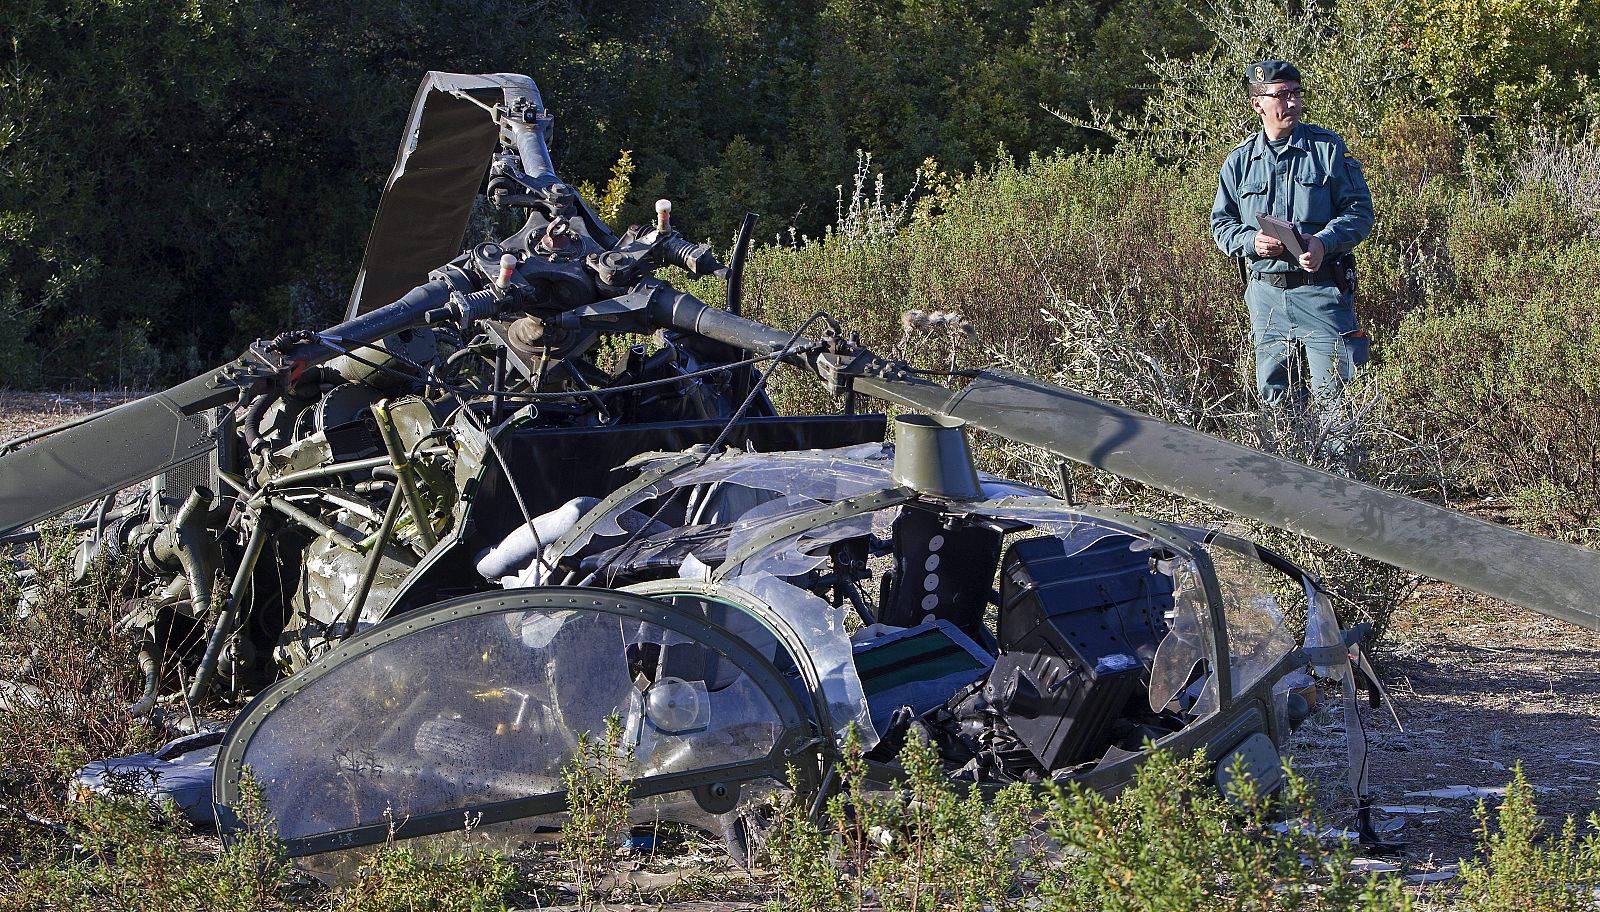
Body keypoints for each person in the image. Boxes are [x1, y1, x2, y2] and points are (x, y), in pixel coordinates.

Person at [1211, 60, 1373, 410]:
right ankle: (1286, 467)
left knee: (1339, 407)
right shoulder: (1240, 161)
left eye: (1296, 93)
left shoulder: (1327, 149)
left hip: (1322, 295)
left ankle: (1340, 469)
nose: (1293, 103)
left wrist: (1323, 242)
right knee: (1276, 405)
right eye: (1282, 95)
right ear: (1258, 103)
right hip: (1266, 298)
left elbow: (1359, 214)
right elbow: (1221, 225)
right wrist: (1251, 242)